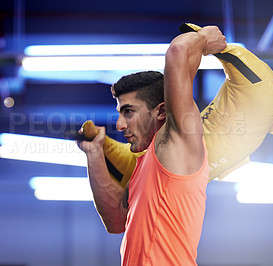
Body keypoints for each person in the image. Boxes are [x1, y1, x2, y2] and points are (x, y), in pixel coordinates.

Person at [77, 25, 227, 265]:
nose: (120, 125)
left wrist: (203, 38)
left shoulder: (179, 141)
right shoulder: (145, 166)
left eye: (128, 112)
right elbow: (116, 220)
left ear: (162, 112)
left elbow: (178, 51)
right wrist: (94, 154)